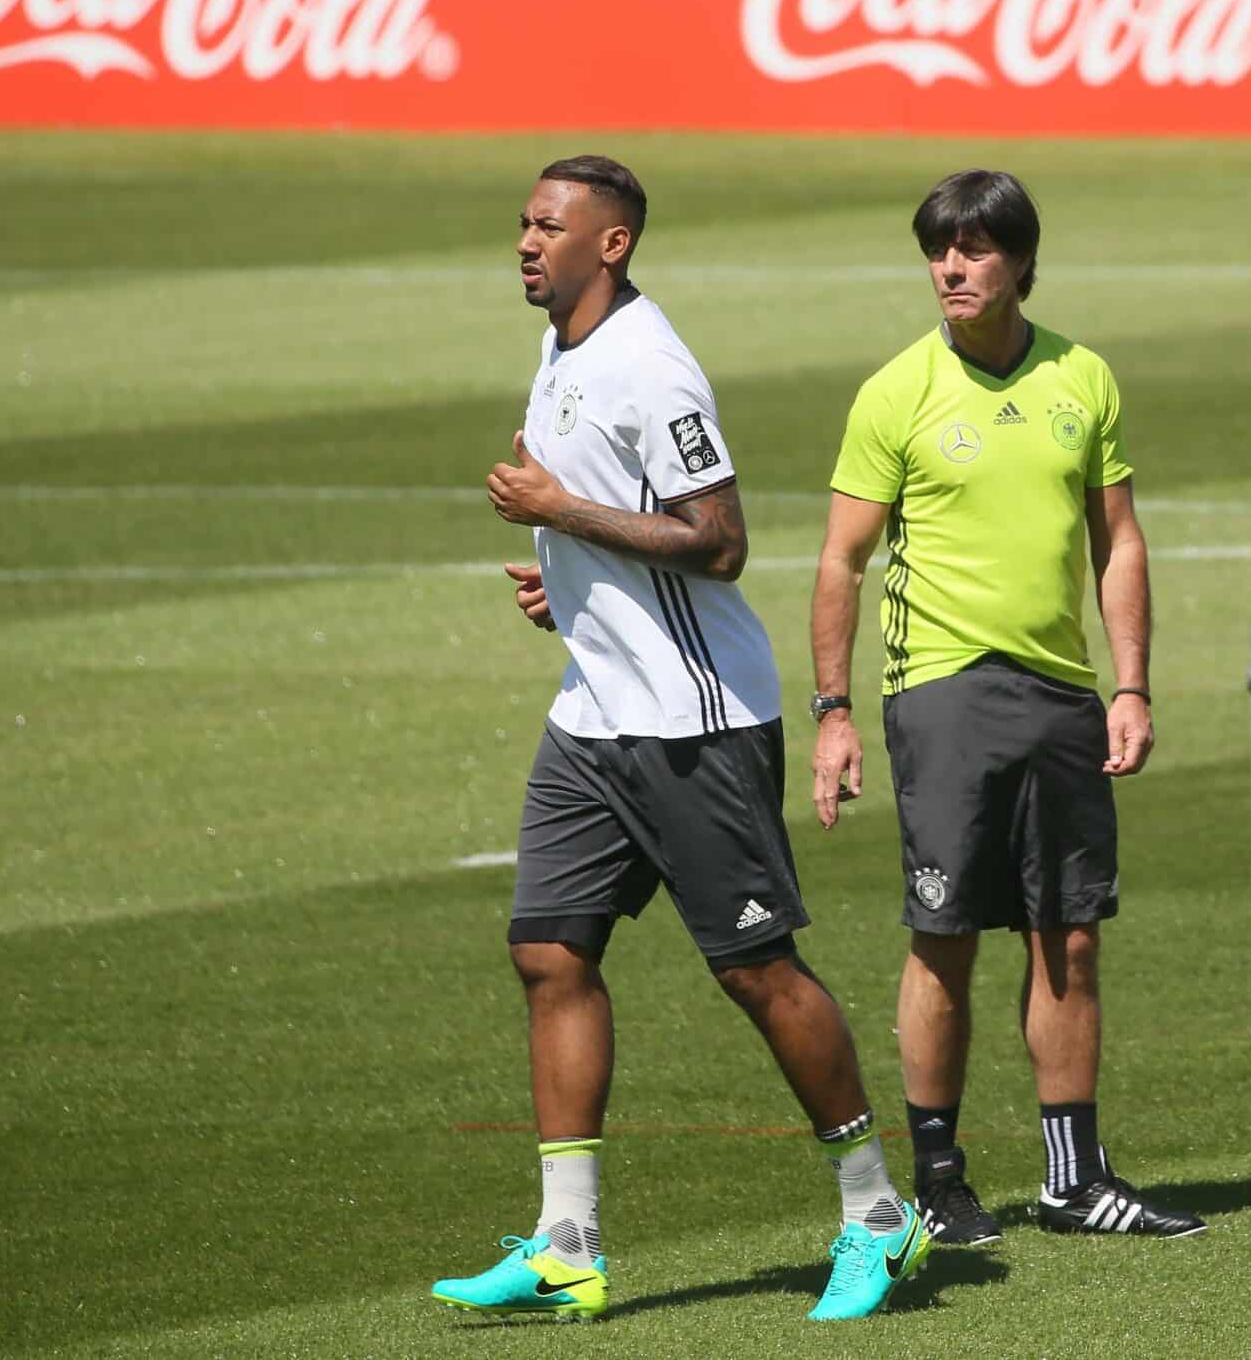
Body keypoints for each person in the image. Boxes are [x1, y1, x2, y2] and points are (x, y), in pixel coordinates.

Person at [430, 155, 929, 1324]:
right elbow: (619, 524)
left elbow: (718, 541)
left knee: (755, 969)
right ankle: (566, 1239)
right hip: (592, 715)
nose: (523, 240)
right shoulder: (561, 344)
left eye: (548, 226)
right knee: (549, 952)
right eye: (520, 221)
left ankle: (873, 1211)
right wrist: (570, 582)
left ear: (611, 243)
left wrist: (561, 517)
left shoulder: (653, 368)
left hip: (691, 721)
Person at [808, 169, 1205, 1247]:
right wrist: (833, 711)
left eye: (974, 250)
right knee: (942, 935)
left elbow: (1117, 538)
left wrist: (1129, 683)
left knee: (1067, 938)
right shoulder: (896, 391)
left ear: (1020, 264)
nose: (949, 267)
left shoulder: (1083, 377)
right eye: (937, 249)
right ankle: (937, 1181)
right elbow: (841, 560)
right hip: (939, 690)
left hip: (1062, 694)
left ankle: (1076, 1181)